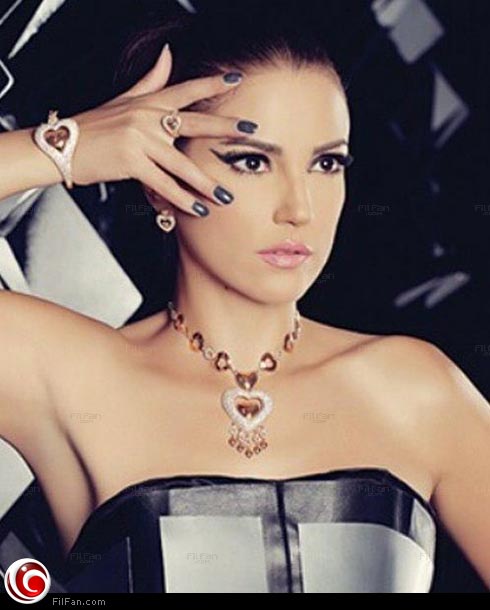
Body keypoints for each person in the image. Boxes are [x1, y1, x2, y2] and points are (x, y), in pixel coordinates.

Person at [0, 5, 489, 594]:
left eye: (326, 163)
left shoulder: (416, 389)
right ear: (158, 179)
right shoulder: (68, 374)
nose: (299, 208)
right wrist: (64, 148)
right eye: (252, 160)